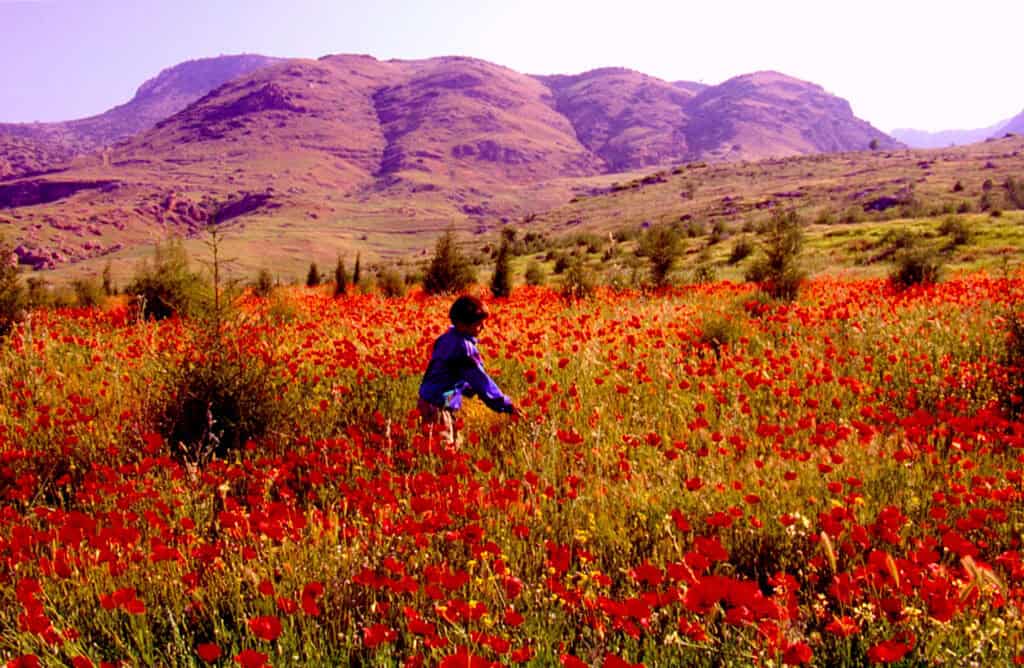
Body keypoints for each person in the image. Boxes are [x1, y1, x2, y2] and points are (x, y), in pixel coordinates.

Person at [418, 295, 518, 443]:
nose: (484, 327)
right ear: (462, 324)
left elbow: (444, 371)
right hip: (438, 407)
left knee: (447, 448)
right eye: (479, 324)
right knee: (443, 453)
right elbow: (482, 382)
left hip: (427, 402)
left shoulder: (445, 338)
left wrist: (466, 387)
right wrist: (506, 404)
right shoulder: (464, 348)